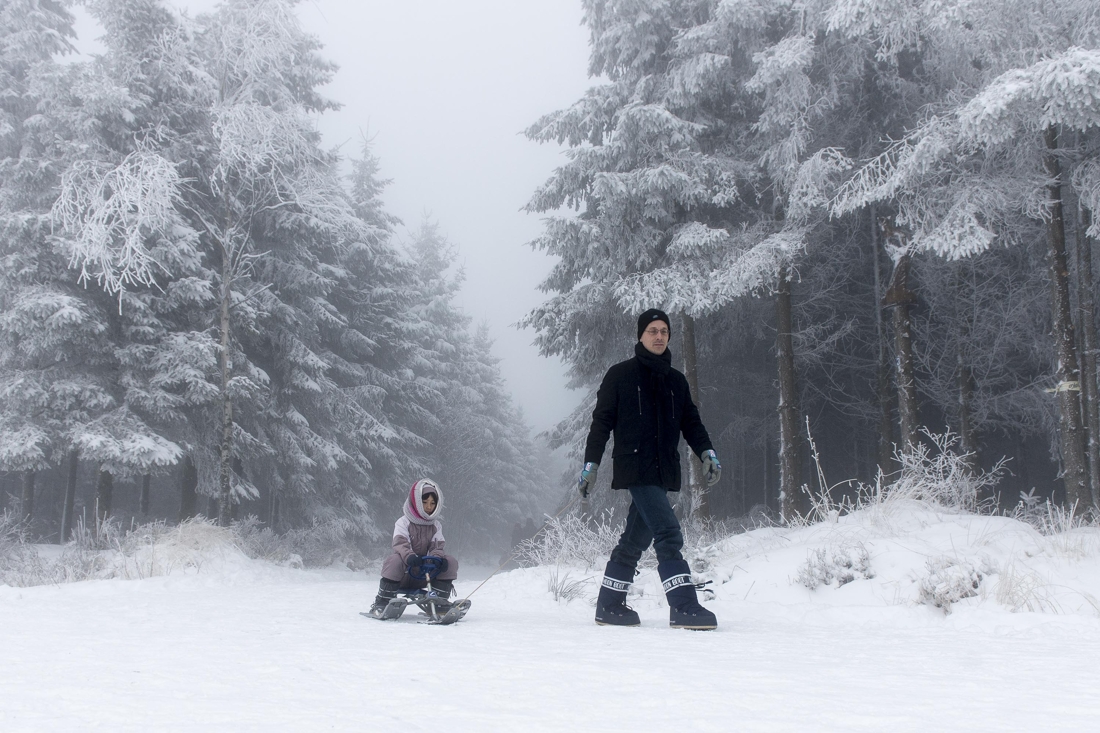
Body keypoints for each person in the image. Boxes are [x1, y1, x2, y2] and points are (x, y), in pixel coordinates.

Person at [578, 308, 722, 629]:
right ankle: (683, 606)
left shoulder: (676, 381)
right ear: (641, 335)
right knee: (668, 533)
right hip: (635, 467)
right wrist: (591, 464)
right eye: (652, 331)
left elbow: (692, 423)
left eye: (664, 332)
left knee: (634, 541)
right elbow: (601, 423)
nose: (659, 337)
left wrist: (707, 452)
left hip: (663, 471)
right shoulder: (620, 375)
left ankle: (609, 604)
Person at [367, 478, 459, 618]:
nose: (429, 506)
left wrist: (436, 559)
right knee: (394, 560)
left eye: (432, 503)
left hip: (426, 576)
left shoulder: (436, 525)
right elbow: (400, 544)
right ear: (416, 502)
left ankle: (440, 601)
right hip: (403, 573)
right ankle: (383, 600)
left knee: (450, 561)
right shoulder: (403, 522)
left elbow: (437, 546)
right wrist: (410, 556)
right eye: (425, 502)